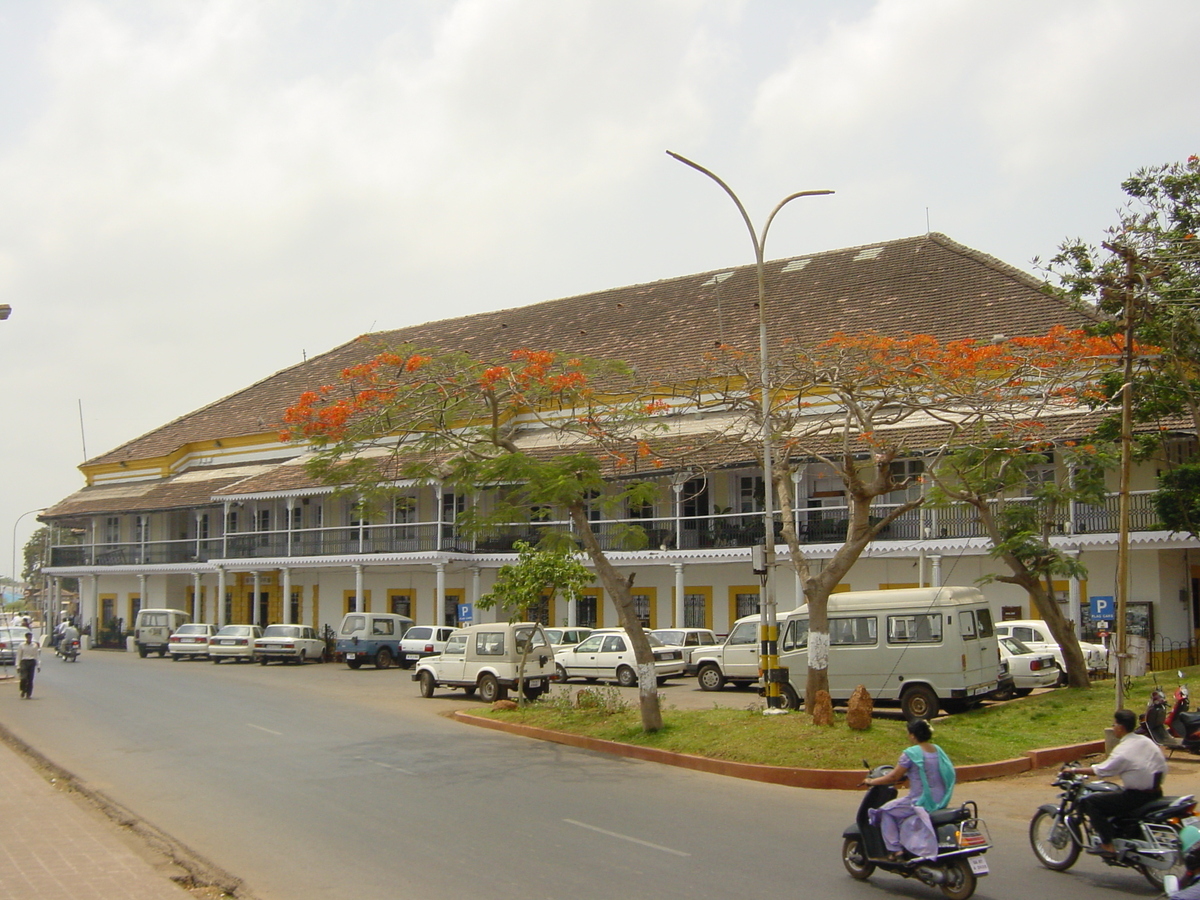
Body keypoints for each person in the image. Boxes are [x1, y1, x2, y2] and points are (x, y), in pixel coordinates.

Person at [1065, 708, 1167, 858]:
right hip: (1157, 792)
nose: (1113, 728)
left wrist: (1074, 771)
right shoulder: (1146, 741)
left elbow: (1103, 770)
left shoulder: (1123, 750)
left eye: (1114, 725)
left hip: (1136, 797)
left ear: (1120, 727)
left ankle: (1107, 845)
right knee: (1115, 794)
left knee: (1092, 802)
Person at [864, 718, 957, 860]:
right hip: (940, 799)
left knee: (885, 812)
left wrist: (872, 781)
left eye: (909, 733)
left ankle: (896, 850)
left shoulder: (911, 753)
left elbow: (893, 777)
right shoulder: (938, 750)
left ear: (913, 735)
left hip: (920, 800)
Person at [16, 631, 41, 699]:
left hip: (31, 662)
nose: (29, 638)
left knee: (30, 679)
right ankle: (23, 690)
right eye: (28, 637)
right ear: (26, 638)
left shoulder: (34, 646)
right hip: (24, 662)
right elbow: (19, 656)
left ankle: (28, 693)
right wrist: (18, 665)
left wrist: (38, 665)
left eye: (30, 637)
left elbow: (37, 656)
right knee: (24, 678)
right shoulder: (22, 645)